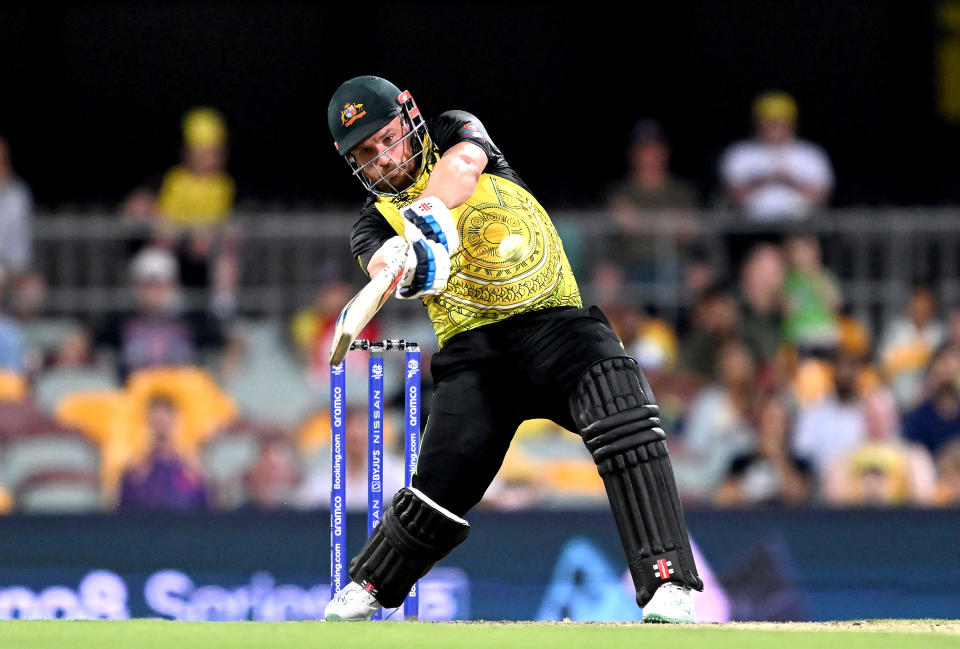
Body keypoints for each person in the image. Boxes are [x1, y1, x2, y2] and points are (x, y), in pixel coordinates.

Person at [321, 76, 703, 623]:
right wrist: (404, 265)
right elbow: (382, 263)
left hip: (556, 324)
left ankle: (668, 585)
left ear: (409, 119)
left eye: (387, 139)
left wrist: (428, 215)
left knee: (623, 409)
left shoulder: (454, 129)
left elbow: (463, 168)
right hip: (476, 357)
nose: (383, 158)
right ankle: (367, 587)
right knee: (437, 491)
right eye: (366, 153)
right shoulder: (368, 223)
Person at [719, 91, 834, 221]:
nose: (775, 128)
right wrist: (766, 179)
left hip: (800, 223)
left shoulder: (810, 154)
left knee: (802, 241)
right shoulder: (740, 153)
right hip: (751, 225)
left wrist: (789, 180)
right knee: (764, 243)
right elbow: (735, 195)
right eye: (769, 122)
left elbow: (821, 196)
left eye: (781, 122)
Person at [117, 395, 208, 512]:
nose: (160, 429)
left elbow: (204, 504)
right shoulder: (135, 470)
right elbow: (123, 508)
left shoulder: (192, 467)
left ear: (176, 422)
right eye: (155, 423)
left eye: (164, 422)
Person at [0, 136, 32, 278]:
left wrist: (18, 270)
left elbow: (20, 236)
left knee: (32, 289)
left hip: (12, 265)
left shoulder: (17, 192)